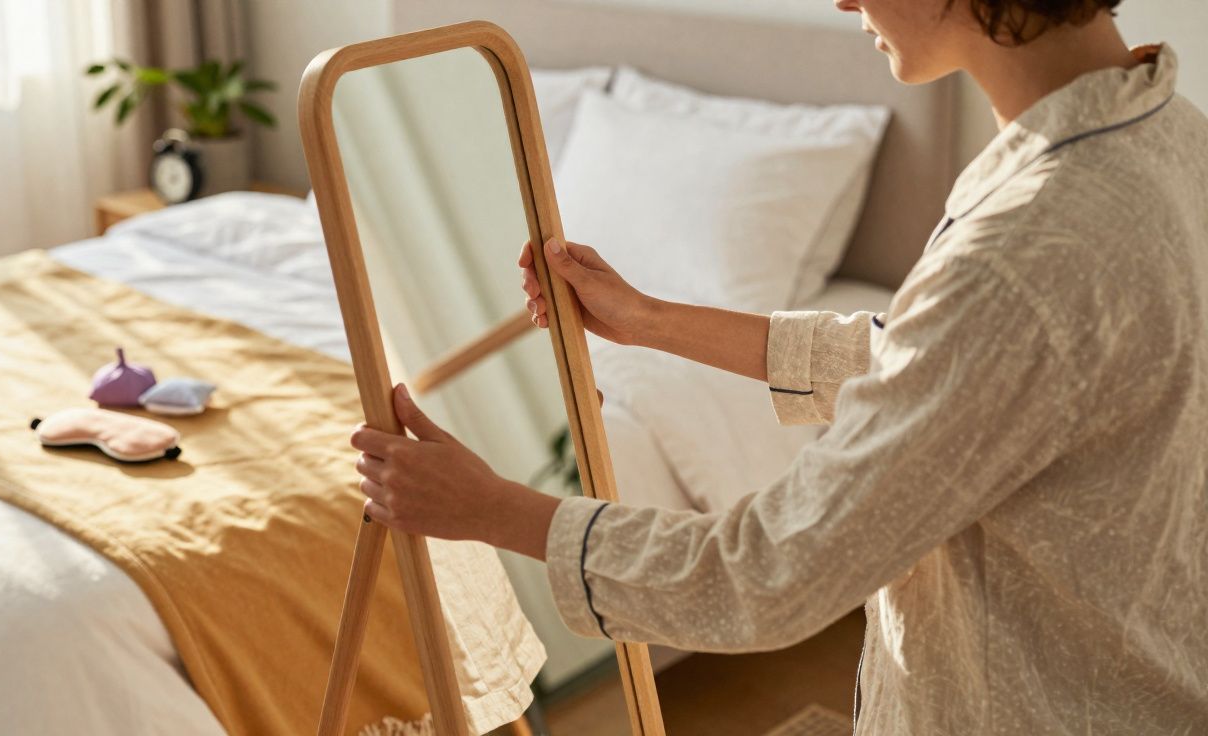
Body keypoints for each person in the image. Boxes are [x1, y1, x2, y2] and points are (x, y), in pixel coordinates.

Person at [349, 0, 1208, 731]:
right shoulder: (1165, 131)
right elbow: (939, 361)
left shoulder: (1025, 247)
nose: (839, 0)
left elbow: (772, 572)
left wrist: (494, 508)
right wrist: (655, 321)